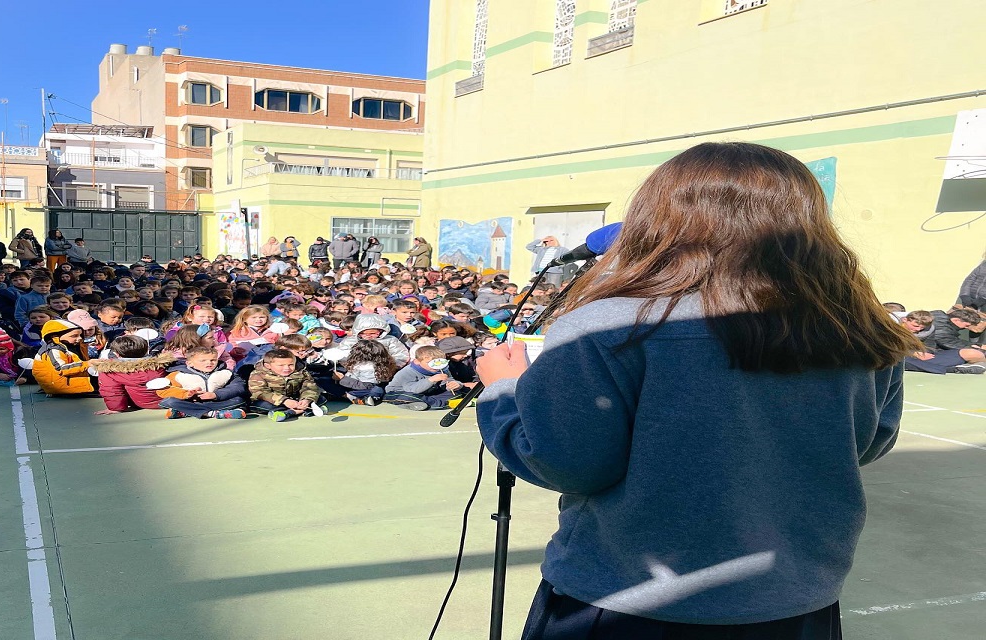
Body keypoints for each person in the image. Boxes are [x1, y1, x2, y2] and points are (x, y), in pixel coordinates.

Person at [473, 142, 917, 639]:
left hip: (626, 602)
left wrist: (503, 391)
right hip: (794, 602)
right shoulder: (858, 326)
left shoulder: (607, 325)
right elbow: (869, 442)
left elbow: (567, 462)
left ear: (655, 217)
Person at [155, 347, 248, 419]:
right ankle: (214, 414)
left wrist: (215, 395)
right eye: (203, 360)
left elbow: (238, 387)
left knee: (239, 400)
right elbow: (163, 390)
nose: (209, 363)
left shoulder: (226, 372)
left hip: (217, 402)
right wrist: (186, 394)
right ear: (190, 363)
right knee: (169, 401)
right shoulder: (178, 375)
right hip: (193, 402)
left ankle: (186, 412)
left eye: (213, 360)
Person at [92, 335, 175, 415]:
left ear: (116, 354)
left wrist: (115, 408)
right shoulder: (162, 364)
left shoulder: (110, 370)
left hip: (140, 403)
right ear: (146, 350)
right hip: (169, 399)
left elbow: (111, 390)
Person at [247, 349, 327, 421]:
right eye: (281, 365)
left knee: (321, 398)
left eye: (291, 365)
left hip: (295, 399)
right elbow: (260, 392)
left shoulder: (301, 372)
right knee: (265, 406)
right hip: (271, 401)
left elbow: (309, 387)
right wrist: (284, 400)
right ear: (268, 366)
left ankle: (292, 412)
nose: (287, 368)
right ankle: (298, 411)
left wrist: (306, 400)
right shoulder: (258, 374)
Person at [383, 344, 460, 410]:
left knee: (456, 393)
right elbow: (411, 389)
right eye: (429, 363)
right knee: (407, 397)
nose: (435, 366)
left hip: (427, 393)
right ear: (417, 361)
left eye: (439, 362)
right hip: (401, 392)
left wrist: (454, 385)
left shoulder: (442, 369)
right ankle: (439, 403)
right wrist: (431, 380)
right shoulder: (408, 371)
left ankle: (429, 403)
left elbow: (448, 381)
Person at [33, 319, 98, 397]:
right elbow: (60, 369)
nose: (80, 338)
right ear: (55, 336)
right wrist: (87, 364)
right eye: (74, 336)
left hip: (69, 379)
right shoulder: (53, 350)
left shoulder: (74, 345)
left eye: (80, 335)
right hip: (59, 385)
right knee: (105, 388)